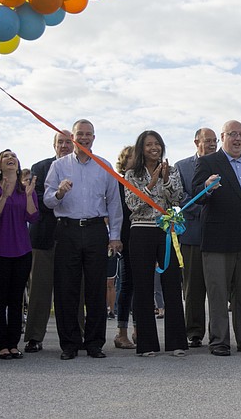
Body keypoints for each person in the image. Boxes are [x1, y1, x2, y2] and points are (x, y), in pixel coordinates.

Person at [44, 119, 123, 360]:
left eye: (89, 134)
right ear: (72, 139)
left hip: (96, 230)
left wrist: (115, 236)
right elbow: (48, 200)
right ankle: (69, 343)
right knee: (66, 289)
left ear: (94, 138)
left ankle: (94, 343)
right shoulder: (59, 167)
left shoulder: (104, 166)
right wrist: (59, 192)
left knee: (96, 289)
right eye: (80, 134)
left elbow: (114, 204)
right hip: (67, 230)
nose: (85, 138)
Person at [193, 120, 241, 356]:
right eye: (232, 134)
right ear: (223, 137)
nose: (237, 139)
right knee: (218, 293)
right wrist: (206, 187)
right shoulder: (208, 162)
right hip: (218, 241)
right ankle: (219, 341)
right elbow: (197, 196)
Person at [124, 130, 187, 357]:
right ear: (141, 148)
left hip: (166, 231)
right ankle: (147, 344)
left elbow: (177, 198)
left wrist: (166, 179)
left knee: (172, 285)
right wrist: (151, 183)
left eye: (157, 144)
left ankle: (177, 342)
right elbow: (133, 204)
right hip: (141, 231)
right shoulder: (132, 174)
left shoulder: (172, 171)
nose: (154, 148)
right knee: (143, 286)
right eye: (149, 144)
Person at [0, 149, 39, 359]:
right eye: (6, 156)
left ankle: (13, 344)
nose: (11, 158)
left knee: (16, 300)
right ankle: (1, 345)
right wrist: (4, 196)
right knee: (0, 299)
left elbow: (32, 217)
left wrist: (30, 194)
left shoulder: (25, 190)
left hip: (22, 250)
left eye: (14, 156)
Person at [24, 130, 76, 353]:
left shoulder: (83, 168)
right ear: (54, 145)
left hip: (73, 238)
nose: (64, 145)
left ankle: (77, 335)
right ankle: (35, 337)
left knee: (75, 289)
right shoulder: (40, 168)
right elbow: (37, 201)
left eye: (68, 142)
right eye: (60, 142)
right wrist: (59, 196)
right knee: (40, 290)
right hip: (44, 236)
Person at [174, 128, 217, 348]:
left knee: (219, 287)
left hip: (220, 235)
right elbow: (180, 198)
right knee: (194, 287)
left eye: (214, 141)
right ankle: (194, 332)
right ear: (196, 142)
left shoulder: (224, 164)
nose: (212, 144)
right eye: (207, 141)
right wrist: (205, 209)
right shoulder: (182, 167)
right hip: (193, 234)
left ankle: (220, 333)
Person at [113, 145, 136, 350]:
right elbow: (114, 212)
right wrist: (115, 237)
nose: (133, 160)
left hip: (143, 238)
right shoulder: (117, 182)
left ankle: (139, 329)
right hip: (125, 238)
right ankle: (121, 333)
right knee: (126, 285)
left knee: (142, 285)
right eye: (130, 157)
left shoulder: (143, 181)